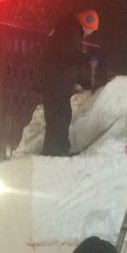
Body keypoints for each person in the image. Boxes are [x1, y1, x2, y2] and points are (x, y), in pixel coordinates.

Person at [39, 10, 98, 157]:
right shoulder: (70, 30)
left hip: (55, 81)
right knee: (59, 115)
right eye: (90, 30)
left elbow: (67, 60)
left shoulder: (67, 30)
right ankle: (56, 151)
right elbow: (68, 55)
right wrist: (87, 58)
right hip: (56, 82)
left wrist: (83, 81)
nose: (89, 34)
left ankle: (56, 149)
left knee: (60, 114)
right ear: (86, 23)